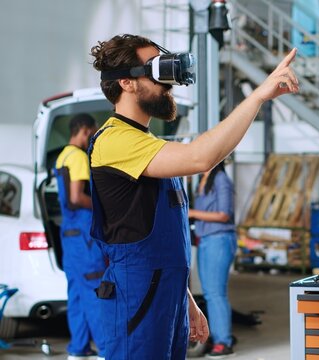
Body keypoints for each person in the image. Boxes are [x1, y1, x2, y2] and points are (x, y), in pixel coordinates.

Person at [88, 33, 298, 359]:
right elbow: (201, 158)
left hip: (163, 296)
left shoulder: (146, 145)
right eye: (156, 70)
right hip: (137, 298)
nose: (166, 83)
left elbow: (159, 238)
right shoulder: (114, 141)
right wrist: (258, 97)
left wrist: (184, 298)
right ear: (127, 83)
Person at [54, 113, 106, 360]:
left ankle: (79, 348)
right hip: (84, 238)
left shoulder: (62, 156)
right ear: (85, 131)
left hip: (70, 235)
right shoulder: (77, 157)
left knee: (76, 293)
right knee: (94, 291)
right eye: (92, 133)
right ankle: (107, 351)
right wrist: (103, 206)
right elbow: (77, 198)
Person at [188, 162, 236, 358]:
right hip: (206, 240)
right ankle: (216, 337)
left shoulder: (221, 180)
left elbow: (224, 215)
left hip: (219, 239)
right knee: (209, 293)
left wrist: (191, 213)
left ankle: (224, 342)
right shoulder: (203, 180)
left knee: (216, 293)